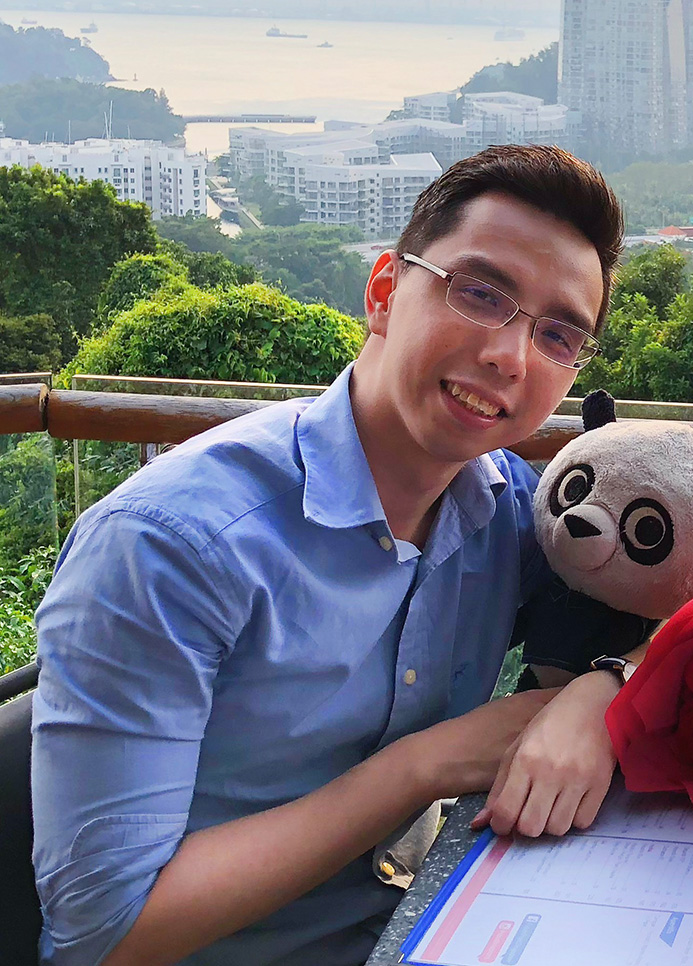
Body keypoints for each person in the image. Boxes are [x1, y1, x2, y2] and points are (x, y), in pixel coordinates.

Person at [31, 144, 628, 966]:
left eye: (558, 335)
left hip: (427, 923)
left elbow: (680, 614)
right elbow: (103, 932)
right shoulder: (171, 546)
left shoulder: (503, 507)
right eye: (480, 293)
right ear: (384, 291)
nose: (511, 357)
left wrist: (602, 688)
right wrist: (422, 767)